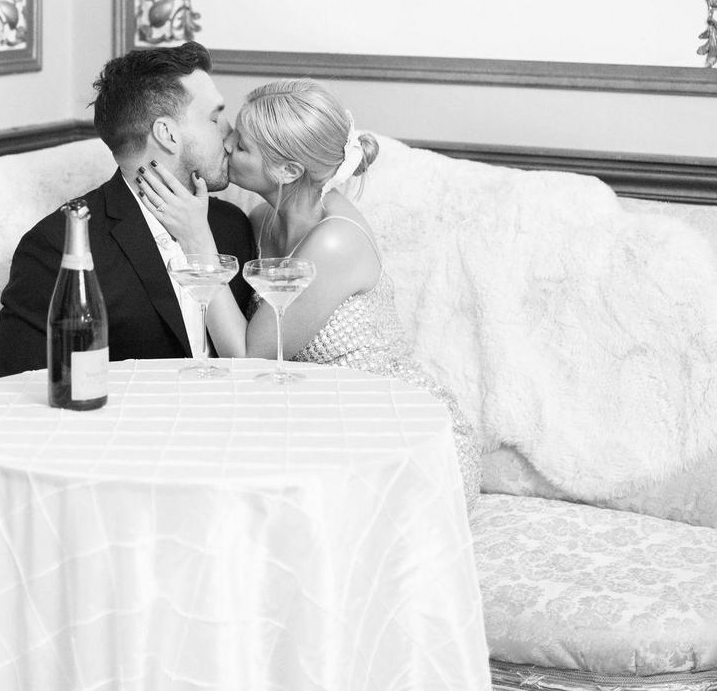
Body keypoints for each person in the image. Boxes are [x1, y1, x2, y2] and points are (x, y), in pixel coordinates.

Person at [136, 78, 481, 509]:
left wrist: (197, 240)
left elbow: (248, 356)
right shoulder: (261, 218)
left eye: (241, 146)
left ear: (288, 171)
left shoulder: (334, 242)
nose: (225, 145)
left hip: (394, 439)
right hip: (318, 428)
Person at [0, 42, 256, 377]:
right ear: (167, 134)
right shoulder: (58, 248)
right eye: (215, 118)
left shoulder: (231, 225)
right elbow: (17, 385)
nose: (230, 136)